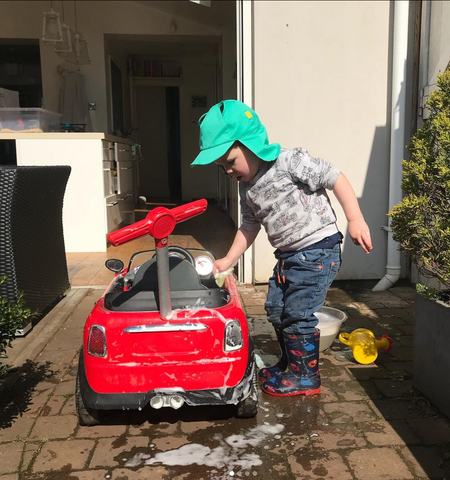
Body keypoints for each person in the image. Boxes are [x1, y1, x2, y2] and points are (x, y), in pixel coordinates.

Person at [191, 100, 372, 397]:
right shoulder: (246, 188)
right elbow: (249, 227)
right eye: (221, 166)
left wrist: (355, 218)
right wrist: (228, 259)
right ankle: (291, 365)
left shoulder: (289, 162)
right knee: (276, 310)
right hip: (288, 256)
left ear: (249, 144)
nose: (227, 170)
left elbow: (334, 176)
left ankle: (306, 377)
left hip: (318, 250)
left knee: (298, 314)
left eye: (230, 161)